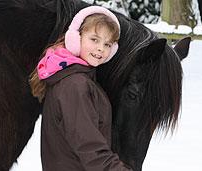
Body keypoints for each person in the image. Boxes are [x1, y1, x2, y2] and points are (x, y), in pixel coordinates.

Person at [29, 6, 132, 171]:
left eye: (107, 44)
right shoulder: (75, 85)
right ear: (76, 38)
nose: (101, 48)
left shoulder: (76, 78)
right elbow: (89, 146)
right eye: (94, 39)